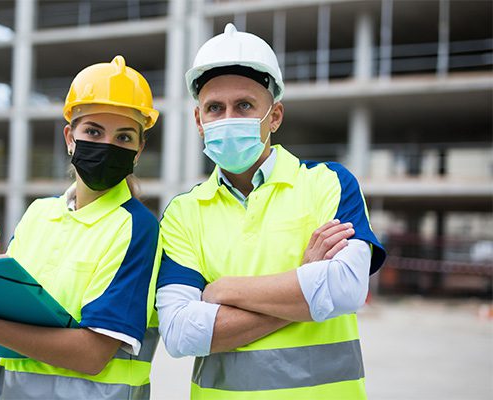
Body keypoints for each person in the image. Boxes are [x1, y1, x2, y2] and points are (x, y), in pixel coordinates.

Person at [156, 24, 386, 399]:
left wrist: (224, 290)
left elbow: (345, 289)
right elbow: (180, 333)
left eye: (244, 105)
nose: (228, 117)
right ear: (198, 121)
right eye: (215, 108)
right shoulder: (183, 213)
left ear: (274, 116)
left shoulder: (330, 183)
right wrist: (306, 283)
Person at [0, 56, 162, 400]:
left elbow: (93, 355)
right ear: (69, 137)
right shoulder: (38, 214)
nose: (107, 145)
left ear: (138, 150)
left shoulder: (137, 228)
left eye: (124, 136)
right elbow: (14, 321)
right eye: (92, 131)